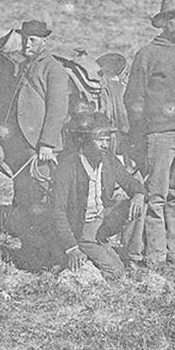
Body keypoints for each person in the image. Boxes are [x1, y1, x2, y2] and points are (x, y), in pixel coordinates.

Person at [123, 0, 175, 269]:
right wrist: (138, 134)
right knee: (156, 194)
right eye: (174, 18)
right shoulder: (147, 54)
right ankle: (156, 254)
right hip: (159, 134)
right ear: (162, 23)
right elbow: (133, 98)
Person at [0, 19, 70, 266]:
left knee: (42, 201)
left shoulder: (54, 70)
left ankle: (47, 256)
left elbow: (57, 111)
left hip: (41, 149)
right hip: (22, 147)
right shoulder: (22, 68)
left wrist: (47, 143)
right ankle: (29, 252)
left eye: (33, 40)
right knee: (25, 200)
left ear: (44, 42)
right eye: (25, 38)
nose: (27, 44)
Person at [50, 111, 146, 279]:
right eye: (99, 139)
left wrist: (138, 194)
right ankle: (84, 255)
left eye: (107, 140)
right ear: (84, 141)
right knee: (115, 272)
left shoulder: (108, 159)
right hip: (81, 229)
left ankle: (129, 256)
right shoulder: (67, 167)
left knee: (139, 205)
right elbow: (58, 212)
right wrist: (71, 248)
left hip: (102, 222)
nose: (105, 145)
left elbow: (130, 182)